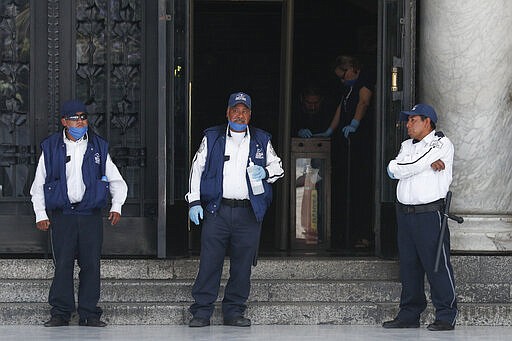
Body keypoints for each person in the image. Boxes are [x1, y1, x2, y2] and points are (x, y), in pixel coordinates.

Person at [185, 91, 284, 327]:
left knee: (242, 265)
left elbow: (278, 167)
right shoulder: (212, 137)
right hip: (217, 210)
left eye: (244, 111)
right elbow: (196, 169)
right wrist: (194, 202)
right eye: (235, 110)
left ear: (250, 115)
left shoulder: (261, 139)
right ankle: (201, 312)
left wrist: (266, 173)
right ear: (227, 112)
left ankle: (234, 311)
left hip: (248, 213)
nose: (239, 115)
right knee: (210, 262)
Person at [30, 99, 128, 327]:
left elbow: (116, 181)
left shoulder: (98, 146)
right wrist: (40, 214)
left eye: (83, 117)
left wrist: (117, 206)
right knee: (63, 264)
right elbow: (38, 184)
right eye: (75, 118)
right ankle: (60, 313)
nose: (80, 122)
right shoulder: (51, 146)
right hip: (62, 215)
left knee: (91, 264)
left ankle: (89, 313)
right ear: (64, 121)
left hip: (89, 215)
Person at [383, 103, 457, 331]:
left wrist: (407, 166)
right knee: (409, 266)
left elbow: (407, 167)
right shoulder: (406, 145)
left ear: (427, 122)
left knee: (437, 265)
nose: (408, 124)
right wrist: (417, 165)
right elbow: (391, 169)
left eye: (413, 120)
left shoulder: (441, 142)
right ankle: (409, 313)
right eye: (408, 120)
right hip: (405, 214)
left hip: (429, 214)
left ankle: (446, 314)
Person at [326, 55, 376, 249]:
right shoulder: (347, 89)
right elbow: (341, 108)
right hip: (349, 143)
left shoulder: (364, 80)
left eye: (344, 75)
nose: (343, 80)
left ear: (353, 68)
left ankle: (364, 234)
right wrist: (330, 130)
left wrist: (355, 123)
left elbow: (363, 102)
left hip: (362, 141)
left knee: (362, 185)